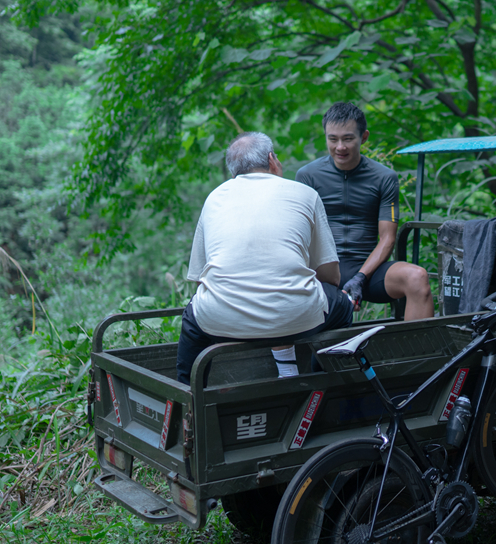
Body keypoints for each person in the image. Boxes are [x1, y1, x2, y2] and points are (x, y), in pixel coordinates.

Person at [175, 132, 353, 385]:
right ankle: (317, 386)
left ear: (233, 170)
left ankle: (187, 396)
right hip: (296, 316)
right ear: (272, 159)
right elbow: (330, 277)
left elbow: (199, 277)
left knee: (193, 320)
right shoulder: (304, 193)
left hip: (219, 320)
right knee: (342, 306)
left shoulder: (214, 198)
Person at [296, 103, 434, 320]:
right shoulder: (308, 176)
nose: (340, 146)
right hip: (323, 272)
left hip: (368, 270)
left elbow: (387, 238)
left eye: (348, 138)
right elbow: (300, 234)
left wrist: (360, 278)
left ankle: (421, 352)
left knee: (417, 277)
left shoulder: (384, 177)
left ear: (364, 137)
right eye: (333, 139)